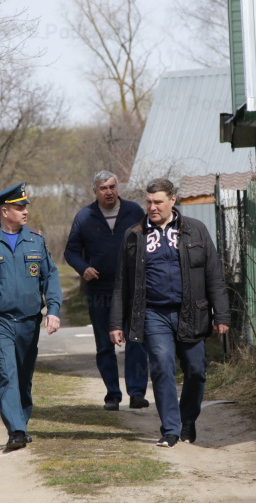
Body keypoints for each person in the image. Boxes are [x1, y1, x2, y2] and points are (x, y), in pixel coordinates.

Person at [109, 178, 230, 448]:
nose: (152, 207)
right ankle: (171, 430)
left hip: (192, 312)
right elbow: (121, 284)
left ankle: (188, 420)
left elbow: (214, 276)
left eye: (158, 202)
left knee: (196, 370)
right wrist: (116, 323)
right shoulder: (134, 235)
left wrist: (221, 315)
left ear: (173, 200)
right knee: (162, 367)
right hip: (153, 314)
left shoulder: (195, 230)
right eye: (149, 202)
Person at [0, 181, 62, 451]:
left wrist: (53, 309)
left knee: (24, 377)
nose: (25, 211)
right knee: (7, 374)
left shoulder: (36, 240)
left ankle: (22, 423)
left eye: (26, 206)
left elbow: (49, 277)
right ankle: (15, 430)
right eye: (19, 207)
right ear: (5, 211)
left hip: (29, 321)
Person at [64, 170, 149, 411]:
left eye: (112, 187)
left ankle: (137, 393)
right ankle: (112, 394)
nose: (109, 192)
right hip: (100, 290)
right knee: (104, 345)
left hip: (132, 290)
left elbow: (148, 243)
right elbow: (70, 251)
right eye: (103, 188)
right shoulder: (85, 217)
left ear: (117, 188)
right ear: (95, 191)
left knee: (136, 341)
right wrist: (83, 268)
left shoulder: (134, 212)